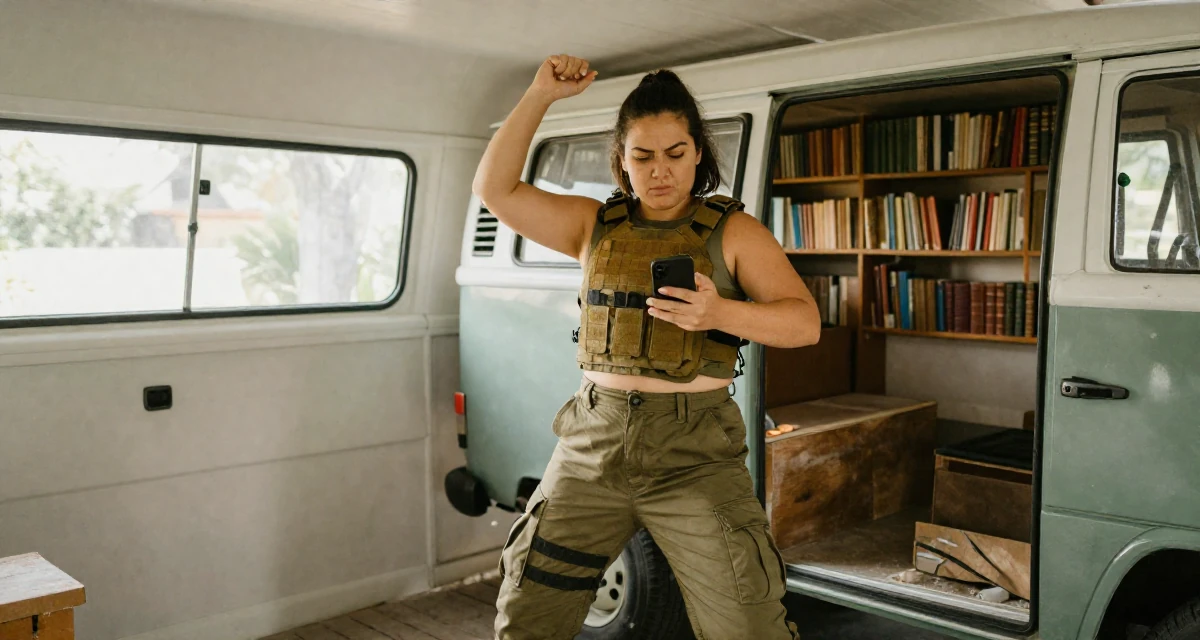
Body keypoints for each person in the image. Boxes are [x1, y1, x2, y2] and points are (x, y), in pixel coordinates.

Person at [472, 53, 820, 640]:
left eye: (676, 154)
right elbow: (495, 189)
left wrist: (720, 312)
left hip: (694, 455)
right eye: (643, 156)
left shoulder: (736, 232)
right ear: (622, 159)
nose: (661, 172)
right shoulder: (592, 225)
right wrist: (540, 95)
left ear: (698, 153)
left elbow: (804, 323)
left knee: (748, 625)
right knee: (528, 612)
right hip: (591, 446)